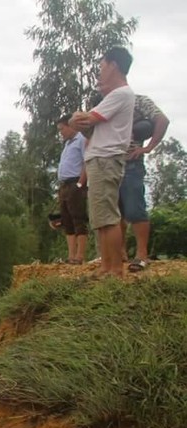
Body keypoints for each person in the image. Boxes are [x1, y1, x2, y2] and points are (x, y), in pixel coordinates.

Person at [69, 47, 135, 278]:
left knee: (108, 216)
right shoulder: (115, 97)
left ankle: (115, 269)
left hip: (107, 158)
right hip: (99, 158)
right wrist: (79, 120)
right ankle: (106, 267)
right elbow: (83, 124)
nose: (100, 71)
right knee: (101, 218)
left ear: (114, 65)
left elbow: (86, 120)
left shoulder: (120, 94)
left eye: (102, 66)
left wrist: (79, 116)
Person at [120, 95, 170, 272]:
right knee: (115, 212)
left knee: (135, 208)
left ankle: (142, 254)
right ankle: (120, 253)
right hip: (108, 164)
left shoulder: (138, 101)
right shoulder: (103, 104)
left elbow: (162, 120)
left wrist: (148, 147)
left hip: (130, 162)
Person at [55, 114, 89, 264]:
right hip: (64, 185)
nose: (61, 132)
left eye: (62, 129)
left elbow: (86, 162)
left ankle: (80, 255)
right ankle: (71, 255)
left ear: (70, 126)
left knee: (78, 218)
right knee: (66, 220)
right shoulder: (67, 144)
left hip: (76, 183)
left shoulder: (81, 140)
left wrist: (80, 184)